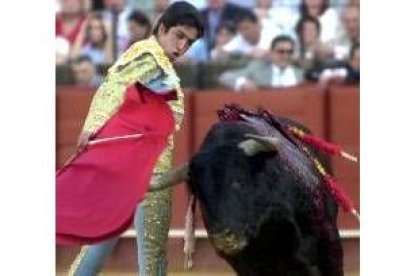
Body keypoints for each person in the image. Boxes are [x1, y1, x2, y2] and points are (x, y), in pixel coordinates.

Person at [56, 2, 204, 276]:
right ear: (162, 28)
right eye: (179, 36)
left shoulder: (158, 61)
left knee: (100, 242)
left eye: (190, 43)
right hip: (148, 169)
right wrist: (94, 125)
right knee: (151, 253)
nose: (182, 47)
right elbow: (114, 86)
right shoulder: (148, 54)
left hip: (130, 168)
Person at [219, 34, 303, 91]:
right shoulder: (258, 69)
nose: (286, 56)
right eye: (281, 51)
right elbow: (225, 77)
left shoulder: (300, 74)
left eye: (289, 52)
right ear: (272, 53)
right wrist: (242, 82)